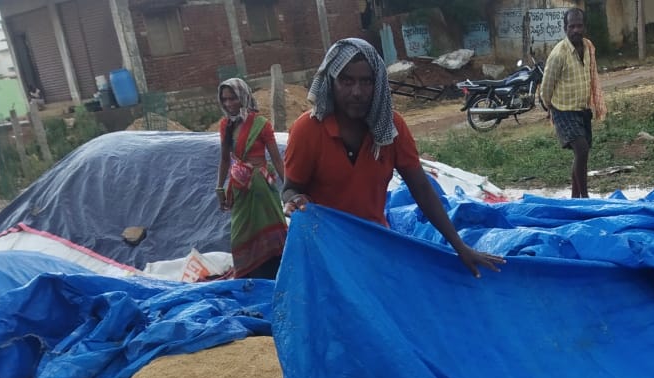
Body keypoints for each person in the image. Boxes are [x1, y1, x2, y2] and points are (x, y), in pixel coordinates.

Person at [281, 38, 504, 279]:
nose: (356, 92)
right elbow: (290, 189)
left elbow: (421, 189)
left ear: (377, 84)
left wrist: (460, 247)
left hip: (373, 250)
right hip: (324, 255)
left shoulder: (391, 127)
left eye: (366, 82)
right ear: (331, 82)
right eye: (346, 80)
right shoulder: (308, 130)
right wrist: (295, 199)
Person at [215, 78, 287, 279]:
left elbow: (276, 160)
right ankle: (248, 275)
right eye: (225, 100)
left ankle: (276, 274)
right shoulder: (225, 125)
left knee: (272, 231)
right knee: (240, 234)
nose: (229, 104)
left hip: (262, 187)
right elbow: (224, 159)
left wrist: (290, 190)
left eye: (233, 98)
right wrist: (219, 188)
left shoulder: (261, 125)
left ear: (244, 97)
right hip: (240, 188)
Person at [540, 8, 607, 199]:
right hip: (563, 110)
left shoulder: (588, 47)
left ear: (584, 26)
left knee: (581, 154)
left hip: (582, 109)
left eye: (579, 26)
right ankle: (584, 199)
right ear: (565, 28)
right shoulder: (558, 54)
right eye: (572, 26)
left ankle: (574, 198)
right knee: (582, 149)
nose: (576, 30)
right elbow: (546, 87)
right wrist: (549, 108)